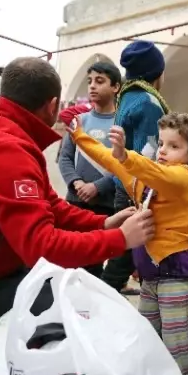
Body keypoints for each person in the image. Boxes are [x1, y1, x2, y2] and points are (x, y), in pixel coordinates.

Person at [0, 57, 155, 356]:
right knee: (60, 303)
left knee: (50, 288)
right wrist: (121, 239)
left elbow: (50, 206)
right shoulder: (5, 150)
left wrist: (101, 224)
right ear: (52, 105)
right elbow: (42, 246)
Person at [69, 112, 188, 375]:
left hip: (175, 272)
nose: (163, 151)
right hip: (149, 271)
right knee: (145, 335)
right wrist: (78, 134)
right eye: (162, 144)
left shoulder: (182, 177)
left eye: (174, 146)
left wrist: (125, 156)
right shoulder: (148, 176)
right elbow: (108, 158)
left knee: (175, 342)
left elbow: (153, 171)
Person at [101, 40, 171, 295]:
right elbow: (149, 152)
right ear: (157, 73)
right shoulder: (148, 103)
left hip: (123, 185)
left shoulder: (126, 97)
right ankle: (101, 300)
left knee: (124, 249)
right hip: (138, 189)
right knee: (127, 253)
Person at [58, 62, 122, 278]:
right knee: (70, 261)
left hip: (105, 205)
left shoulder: (121, 123)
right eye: (90, 81)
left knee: (93, 267)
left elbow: (125, 164)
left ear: (116, 87)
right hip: (75, 203)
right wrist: (76, 183)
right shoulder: (79, 121)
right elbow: (65, 158)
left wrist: (97, 187)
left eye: (100, 81)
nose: (92, 86)